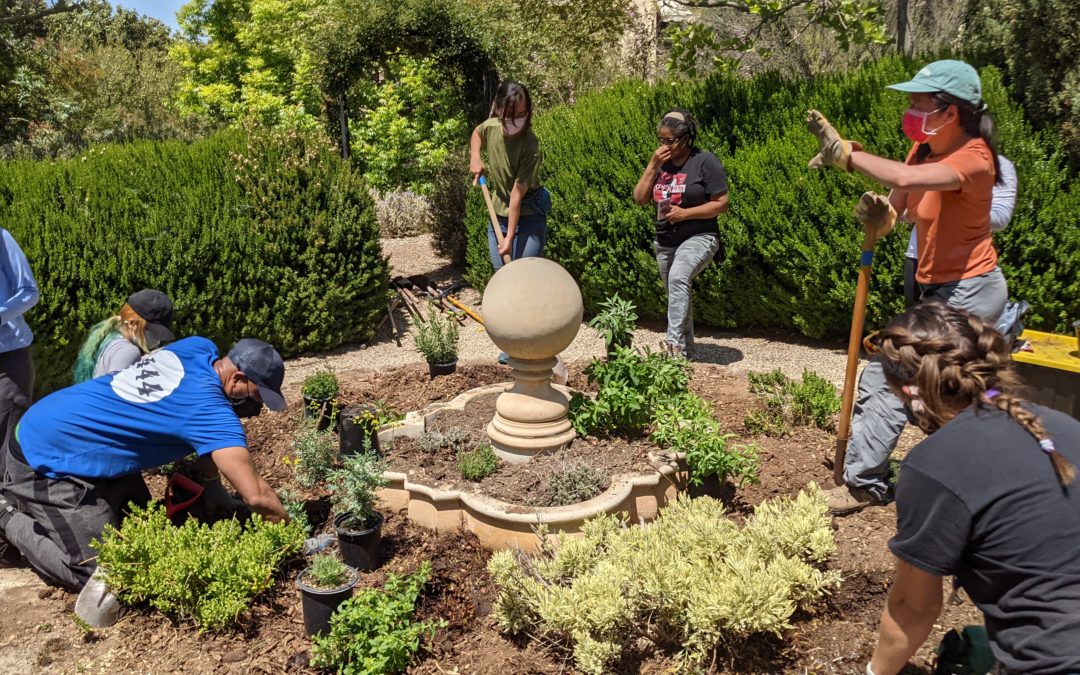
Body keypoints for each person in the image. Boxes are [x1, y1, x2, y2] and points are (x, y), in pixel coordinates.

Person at [806, 60, 1010, 513]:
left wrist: (846, 155)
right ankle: (986, 479)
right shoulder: (923, 150)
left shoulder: (975, 158)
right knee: (948, 391)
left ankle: (863, 483)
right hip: (939, 288)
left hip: (971, 288)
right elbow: (900, 201)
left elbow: (903, 178)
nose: (911, 109)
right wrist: (882, 216)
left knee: (890, 371)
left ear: (950, 111)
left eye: (918, 101)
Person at [0, 336, 289, 625]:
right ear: (237, 378)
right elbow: (258, 497)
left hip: (67, 426)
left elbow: (201, 439)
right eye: (256, 397)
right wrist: (289, 541)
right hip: (43, 455)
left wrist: (214, 490)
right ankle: (6, 513)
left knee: (142, 534)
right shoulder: (210, 412)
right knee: (105, 571)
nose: (257, 408)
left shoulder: (197, 348)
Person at [864, 302, 1080, 675]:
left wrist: (874, 672)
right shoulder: (1065, 425)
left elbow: (914, 609)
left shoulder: (933, 466)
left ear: (909, 393)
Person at [633, 108, 729, 358]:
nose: (664, 145)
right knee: (676, 290)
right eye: (661, 140)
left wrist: (686, 213)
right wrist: (653, 164)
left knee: (678, 278)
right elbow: (640, 198)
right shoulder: (661, 164)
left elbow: (722, 203)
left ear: (686, 138)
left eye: (670, 141)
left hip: (700, 236)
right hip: (666, 240)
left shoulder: (704, 162)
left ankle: (673, 347)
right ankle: (687, 354)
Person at [904, 154, 1017, 306]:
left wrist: (957, 211)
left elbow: (1000, 217)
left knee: (953, 324)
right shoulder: (930, 159)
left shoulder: (998, 166)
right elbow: (905, 207)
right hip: (918, 255)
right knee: (914, 322)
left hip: (964, 265)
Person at [469, 80, 550, 272]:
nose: (515, 121)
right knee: (503, 275)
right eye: (510, 115)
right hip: (499, 213)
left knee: (523, 273)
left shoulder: (532, 147)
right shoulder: (492, 127)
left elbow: (516, 195)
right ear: (498, 109)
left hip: (529, 214)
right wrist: (475, 157)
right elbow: (477, 133)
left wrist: (510, 237)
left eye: (521, 115)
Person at [72, 288, 176, 383]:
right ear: (131, 323)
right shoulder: (128, 352)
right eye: (153, 331)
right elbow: (115, 398)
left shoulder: (110, 334)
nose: (157, 339)